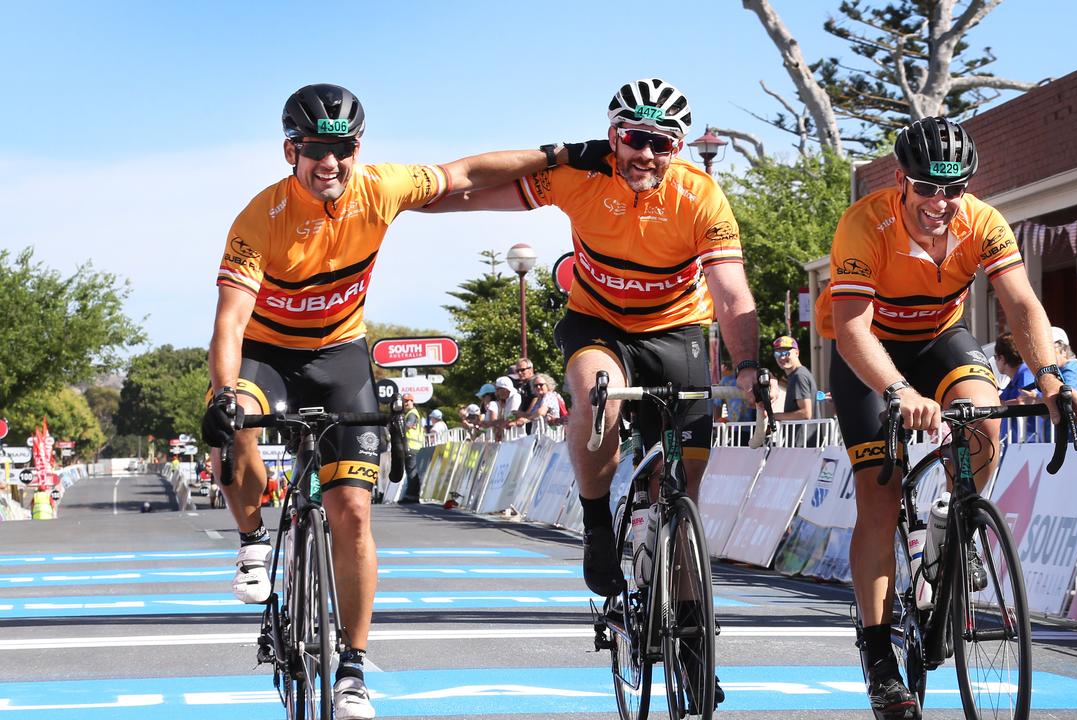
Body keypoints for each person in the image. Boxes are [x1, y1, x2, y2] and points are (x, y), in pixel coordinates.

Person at [199, 82, 596, 720]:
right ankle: (251, 540)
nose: (330, 162)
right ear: (290, 151)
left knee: (353, 511)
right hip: (265, 353)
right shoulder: (258, 218)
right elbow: (229, 321)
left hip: (338, 354)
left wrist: (560, 152)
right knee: (237, 422)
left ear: (359, 148)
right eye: (315, 149)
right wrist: (223, 395)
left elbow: (464, 173)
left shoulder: (381, 188)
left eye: (343, 148)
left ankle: (352, 670)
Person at [428, 77, 763, 711]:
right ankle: (595, 522)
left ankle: (693, 645)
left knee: (684, 496)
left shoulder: (700, 194)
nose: (647, 154)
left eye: (662, 143)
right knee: (598, 397)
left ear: (681, 146)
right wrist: (423, 198)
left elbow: (731, 292)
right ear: (613, 136)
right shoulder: (582, 175)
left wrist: (747, 366)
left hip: (674, 329)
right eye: (635, 139)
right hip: (597, 322)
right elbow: (482, 191)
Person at [813, 116, 1077, 719]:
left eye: (955, 188)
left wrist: (1049, 379)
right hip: (869, 351)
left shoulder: (981, 222)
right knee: (879, 496)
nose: (941, 202)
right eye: (928, 188)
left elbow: (1021, 303)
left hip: (940, 337)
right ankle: (879, 652)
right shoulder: (866, 223)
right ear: (902, 181)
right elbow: (854, 330)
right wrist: (897, 390)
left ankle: (951, 513)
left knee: (984, 422)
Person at [992, 331, 1036, 442]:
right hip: (1016, 445)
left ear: (1001, 358)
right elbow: (1000, 401)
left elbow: (1023, 401)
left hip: (1028, 445)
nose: (995, 361)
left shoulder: (1026, 374)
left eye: (995, 357)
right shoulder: (1014, 379)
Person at [771, 336, 815, 421]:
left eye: (786, 353)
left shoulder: (799, 376)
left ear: (797, 353)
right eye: (777, 354)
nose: (782, 357)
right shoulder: (796, 375)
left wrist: (774, 416)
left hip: (804, 434)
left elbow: (806, 413)